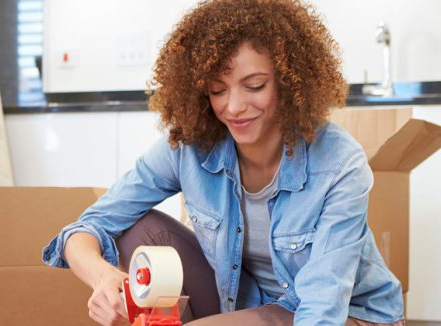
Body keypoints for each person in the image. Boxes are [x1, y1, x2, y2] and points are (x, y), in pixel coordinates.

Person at [41, 0, 405, 325]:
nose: (232, 107)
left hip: (343, 314)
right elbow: (85, 229)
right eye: (217, 89)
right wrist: (103, 277)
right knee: (138, 227)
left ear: (291, 83)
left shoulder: (340, 164)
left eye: (255, 85)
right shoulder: (190, 146)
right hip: (244, 300)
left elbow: (322, 310)